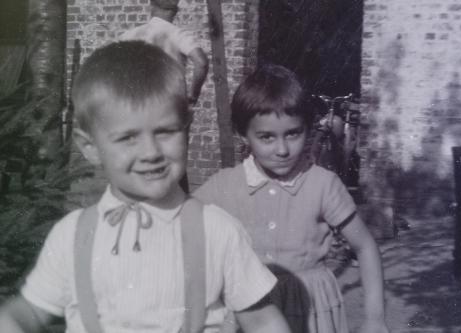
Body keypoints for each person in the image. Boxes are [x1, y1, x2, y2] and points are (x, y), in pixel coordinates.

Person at [0, 41, 290, 333]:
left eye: (165, 132)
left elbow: (263, 322)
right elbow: (28, 313)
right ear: (89, 147)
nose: (151, 152)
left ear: (185, 127)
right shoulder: (71, 236)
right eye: (127, 138)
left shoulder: (217, 231)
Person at [194, 64, 389, 333]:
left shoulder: (323, 184)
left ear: (308, 129)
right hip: (250, 316)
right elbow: (177, 226)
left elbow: (365, 247)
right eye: (266, 137)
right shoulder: (224, 186)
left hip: (311, 312)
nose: (282, 149)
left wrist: (375, 319)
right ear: (243, 135)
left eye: (293, 134)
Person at [119, 0, 209, 105]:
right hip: (170, 102)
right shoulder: (178, 34)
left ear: (151, 7)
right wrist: (194, 95)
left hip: (135, 101)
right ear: (175, 12)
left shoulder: (128, 35)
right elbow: (201, 63)